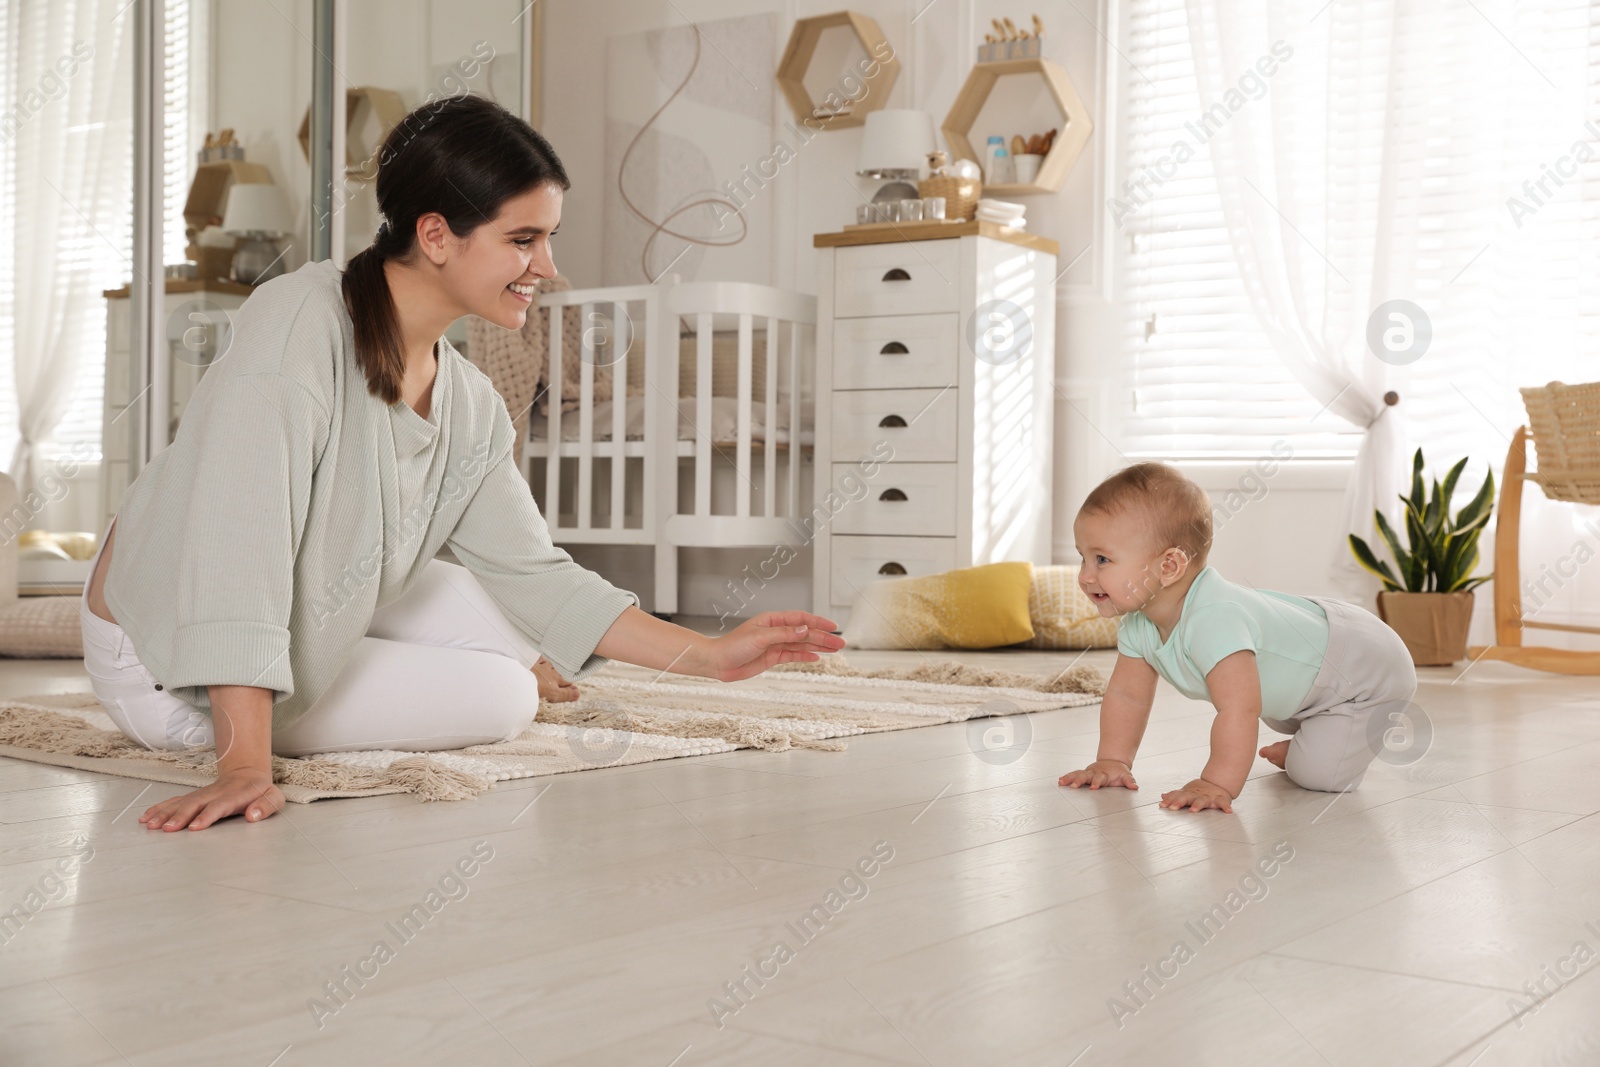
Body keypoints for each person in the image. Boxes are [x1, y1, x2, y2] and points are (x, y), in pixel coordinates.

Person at [80, 94, 843, 833]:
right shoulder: (296, 326)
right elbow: (234, 544)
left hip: (313, 577)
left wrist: (711, 655)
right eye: (523, 239)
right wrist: (244, 759)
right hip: (159, 648)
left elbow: (536, 574)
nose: (545, 265)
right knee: (505, 694)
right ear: (438, 235)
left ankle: (456, 662)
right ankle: (252, 708)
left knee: (516, 622)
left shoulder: (469, 400)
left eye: (547, 238)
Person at [1056, 462, 1416, 813]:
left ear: (1168, 567)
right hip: (1307, 680)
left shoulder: (1215, 619)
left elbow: (1239, 710)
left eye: (1102, 559)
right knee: (1267, 702)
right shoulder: (1138, 623)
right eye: (1083, 558)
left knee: (1320, 774)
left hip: (1366, 668)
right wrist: (1112, 761)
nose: (1086, 576)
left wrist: (1217, 783)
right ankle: (1317, 735)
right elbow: (1127, 695)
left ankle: (1311, 748)